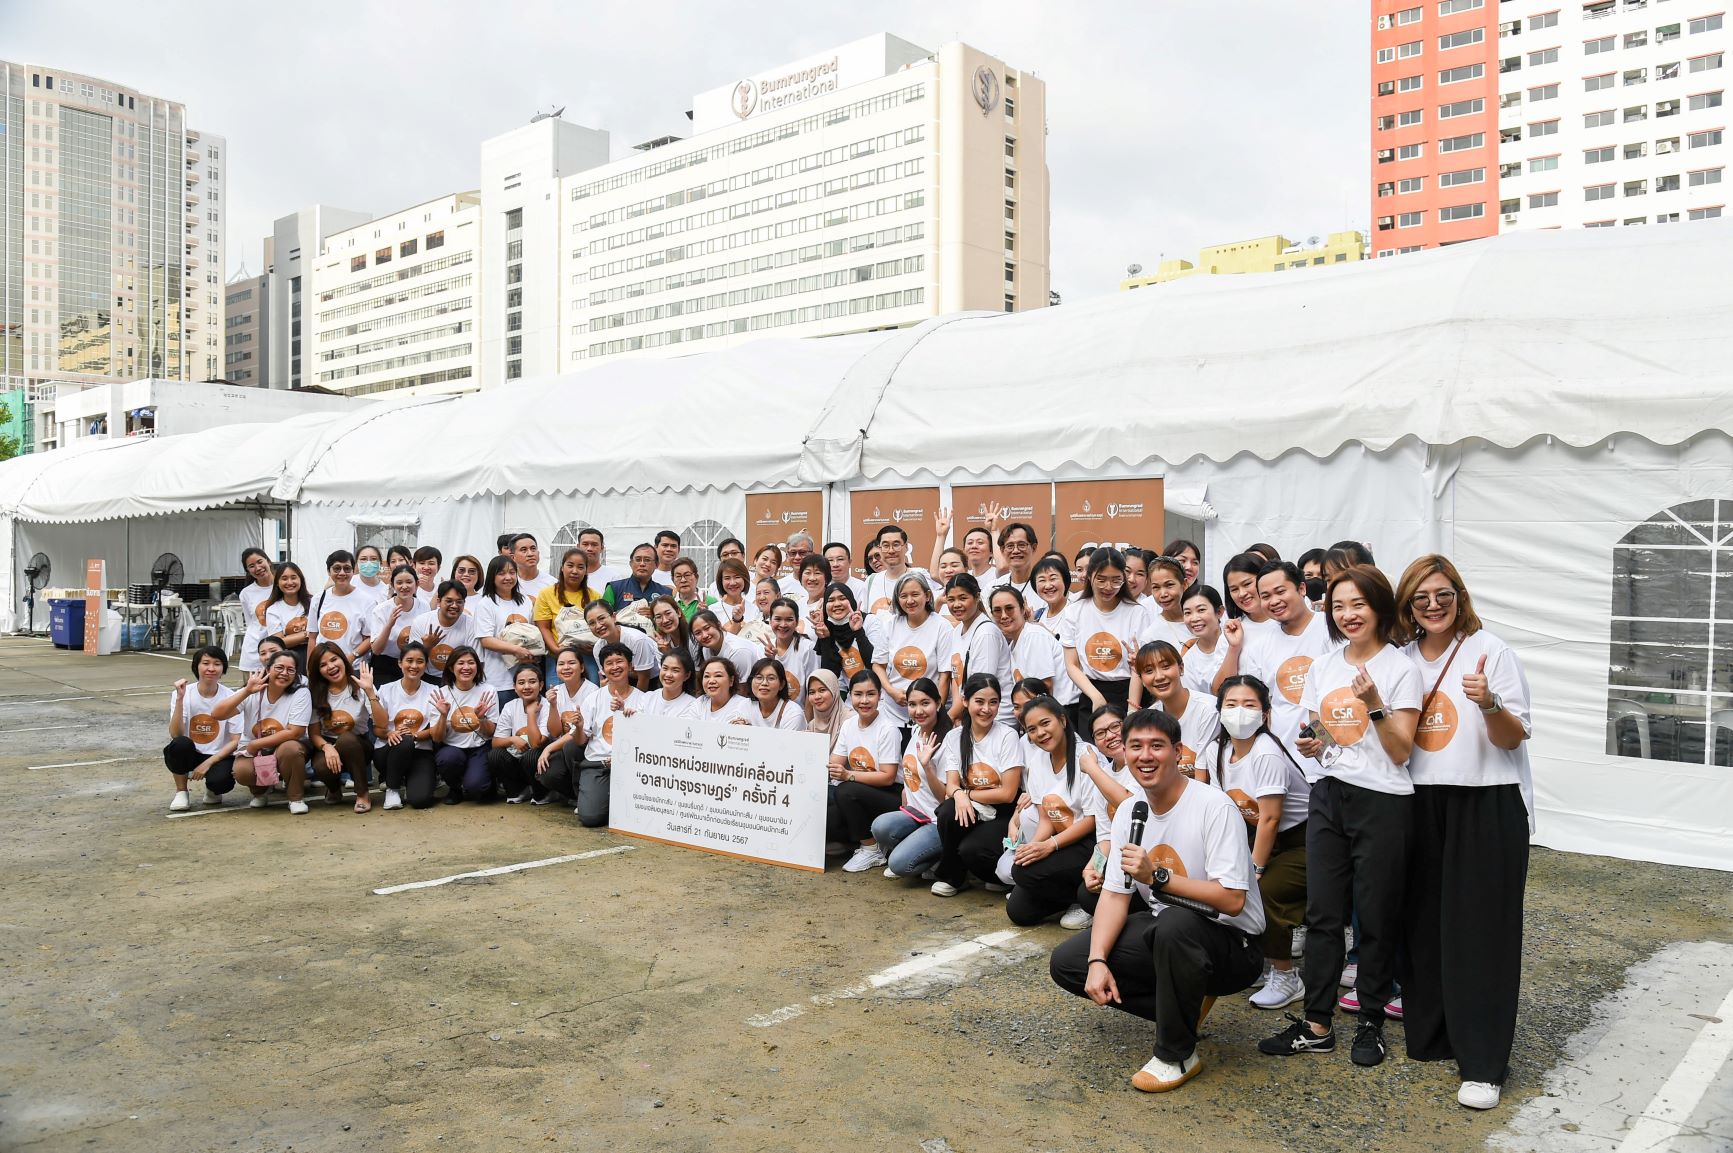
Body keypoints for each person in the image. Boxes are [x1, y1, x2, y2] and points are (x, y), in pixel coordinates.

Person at [1049, 708, 1265, 1093]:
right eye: (1135, 746)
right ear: (1125, 753)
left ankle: (1177, 1054)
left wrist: (1158, 877)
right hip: (1171, 934)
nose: (1145, 756)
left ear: (1178, 752)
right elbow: (1115, 895)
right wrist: (1097, 961)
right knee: (1069, 963)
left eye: (1156, 746)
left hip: (1233, 944)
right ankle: (1182, 1008)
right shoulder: (1130, 810)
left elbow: (1232, 900)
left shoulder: (1214, 806)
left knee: (1174, 921)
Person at [1260, 565, 1421, 1069]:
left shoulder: (1401, 668)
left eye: (1359, 604)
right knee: (1324, 914)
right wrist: (1315, 743)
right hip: (1328, 794)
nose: (1348, 614)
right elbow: (1322, 738)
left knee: (1374, 914)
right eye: (1338, 605)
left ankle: (1371, 1019)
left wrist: (1374, 704)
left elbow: (1400, 751)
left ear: (1380, 607)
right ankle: (1317, 1024)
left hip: (1384, 801)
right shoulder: (1324, 666)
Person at [1396, 555, 1535, 1110]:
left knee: (1481, 932)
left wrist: (1489, 702)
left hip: (1485, 799)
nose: (1433, 605)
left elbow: (1512, 737)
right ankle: (1434, 1035)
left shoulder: (1490, 650)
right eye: (1420, 598)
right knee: (1423, 925)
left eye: (1443, 594)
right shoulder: (1401, 657)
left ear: (1460, 596)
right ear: (1407, 605)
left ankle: (1483, 1063)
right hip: (1418, 800)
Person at [1209, 675, 1312, 1012]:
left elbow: (1270, 819)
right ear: (1220, 710)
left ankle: (1286, 975)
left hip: (1302, 840)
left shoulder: (1266, 753)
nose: (1240, 712)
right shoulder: (1218, 751)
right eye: (1231, 704)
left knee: (1263, 892)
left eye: (1249, 704)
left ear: (1265, 713)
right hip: (1260, 837)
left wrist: (1254, 869)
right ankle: (1256, 961)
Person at [1005, 695, 1103, 928]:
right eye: (1032, 729)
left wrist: (1049, 846)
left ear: (1063, 720)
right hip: (1062, 840)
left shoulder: (1086, 756)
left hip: (1092, 842)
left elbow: (1093, 820)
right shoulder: (1038, 761)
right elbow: (1046, 819)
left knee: (1023, 874)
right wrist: (1032, 847)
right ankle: (1071, 897)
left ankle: (1085, 901)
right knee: (1019, 911)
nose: (1040, 733)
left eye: (1045, 723)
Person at [1214, 561, 1333, 751]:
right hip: (1283, 754)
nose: (1274, 601)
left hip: (1332, 754)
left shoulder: (1331, 628)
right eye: (1266, 596)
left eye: (1280, 591)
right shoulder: (1260, 646)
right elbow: (1254, 701)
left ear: (1302, 588)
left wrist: (1324, 745)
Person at [929, 673, 1024, 896]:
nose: (986, 709)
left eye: (993, 702)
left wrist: (966, 794)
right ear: (965, 701)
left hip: (1003, 812)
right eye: (979, 701)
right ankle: (954, 877)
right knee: (947, 812)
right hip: (974, 807)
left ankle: (999, 876)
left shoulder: (1007, 735)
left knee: (971, 850)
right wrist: (959, 795)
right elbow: (951, 785)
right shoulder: (955, 737)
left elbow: (1008, 793)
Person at [870, 677, 953, 879]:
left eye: (925, 703)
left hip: (936, 821)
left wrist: (928, 766)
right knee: (879, 826)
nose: (918, 711)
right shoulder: (916, 730)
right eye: (912, 704)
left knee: (898, 864)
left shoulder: (948, 740)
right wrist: (906, 793)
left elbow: (944, 798)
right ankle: (921, 853)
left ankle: (940, 860)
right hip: (916, 814)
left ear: (938, 703)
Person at [211, 650, 312, 814]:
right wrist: (246, 691)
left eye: (290, 670)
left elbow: (295, 732)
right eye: (279, 668)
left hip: (285, 746)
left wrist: (256, 744)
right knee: (242, 770)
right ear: (268, 669)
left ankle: (295, 797)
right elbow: (217, 714)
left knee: (291, 749)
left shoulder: (301, 693)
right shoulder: (253, 690)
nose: (284, 673)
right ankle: (260, 791)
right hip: (256, 750)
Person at [1061, 546, 1146, 728]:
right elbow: (1071, 664)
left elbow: (1137, 667)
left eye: (1116, 580)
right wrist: (1095, 697)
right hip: (1090, 692)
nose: (1108, 587)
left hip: (1129, 693)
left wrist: (1132, 710)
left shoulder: (1137, 613)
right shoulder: (1074, 611)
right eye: (1101, 580)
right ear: (1089, 576)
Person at [828, 670, 904, 872]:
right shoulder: (849, 725)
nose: (864, 700)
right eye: (858, 694)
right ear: (850, 695)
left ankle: (871, 849)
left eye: (870, 694)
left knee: (845, 790)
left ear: (880, 695)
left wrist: (848, 775)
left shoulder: (888, 729)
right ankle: (861, 840)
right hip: (861, 791)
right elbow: (834, 763)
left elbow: (888, 777)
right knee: (826, 817)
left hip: (890, 794)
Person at [562, 640, 643, 824]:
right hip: (598, 764)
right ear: (603, 669)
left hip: (631, 766)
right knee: (590, 817)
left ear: (630, 665)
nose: (615, 667)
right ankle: (597, 796)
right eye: (609, 663)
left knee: (635, 817)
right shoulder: (594, 699)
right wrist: (579, 727)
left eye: (619, 661)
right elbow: (581, 741)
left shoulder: (644, 699)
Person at [871, 573, 956, 737]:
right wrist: (891, 691)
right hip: (892, 715)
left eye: (915, 594)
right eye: (903, 596)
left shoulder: (942, 627)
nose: (909, 601)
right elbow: (878, 665)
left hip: (927, 717)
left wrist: (936, 712)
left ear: (927, 595)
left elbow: (945, 676)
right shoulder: (890, 624)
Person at [164, 645, 241, 810]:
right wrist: (179, 700)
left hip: (218, 755)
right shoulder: (183, 693)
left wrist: (208, 764)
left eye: (217, 664)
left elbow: (235, 741)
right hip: (192, 752)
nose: (211, 668)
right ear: (196, 666)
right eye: (206, 663)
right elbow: (176, 734)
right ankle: (181, 791)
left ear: (223, 668)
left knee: (221, 782)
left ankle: (213, 790)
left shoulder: (231, 697)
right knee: (179, 745)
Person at [1134, 641, 1221, 780]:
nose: (1159, 676)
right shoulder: (1149, 719)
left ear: (1181, 668)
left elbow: (1202, 777)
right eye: (1149, 671)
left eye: (1165, 666)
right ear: (1142, 680)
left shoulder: (1208, 709)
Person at [369, 642, 439, 810]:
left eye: (420, 661)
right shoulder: (385, 690)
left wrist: (415, 735)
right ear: (400, 663)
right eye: (409, 660)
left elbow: (435, 731)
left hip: (420, 752)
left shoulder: (434, 690)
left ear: (426, 665)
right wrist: (390, 734)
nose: (414, 666)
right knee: (404, 741)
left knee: (420, 800)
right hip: (388, 751)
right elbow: (377, 729)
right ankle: (392, 789)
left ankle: (411, 781)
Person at [307, 640, 374, 811]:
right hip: (327, 742)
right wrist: (327, 747)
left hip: (358, 744)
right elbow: (314, 734)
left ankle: (362, 794)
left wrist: (370, 692)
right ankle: (334, 789)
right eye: (323, 665)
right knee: (321, 766)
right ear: (318, 671)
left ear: (343, 660)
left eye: (334, 659)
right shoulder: (315, 693)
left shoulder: (360, 685)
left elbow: (381, 723)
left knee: (347, 740)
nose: (330, 666)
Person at [430, 646, 497, 805]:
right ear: (451, 667)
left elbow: (490, 732)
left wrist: (481, 718)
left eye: (471, 663)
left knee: (476, 787)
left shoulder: (488, 691)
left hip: (479, 747)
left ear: (477, 667)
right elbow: (437, 738)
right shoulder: (441, 694)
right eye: (461, 663)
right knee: (447, 759)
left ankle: (486, 782)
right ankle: (455, 788)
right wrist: (443, 716)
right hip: (452, 748)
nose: (466, 667)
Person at [945, 574, 1014, 724]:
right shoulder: (957, 631)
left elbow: (982, 687)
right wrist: (955, 715)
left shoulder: (986, 633)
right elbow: (957, 678)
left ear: (977, 597)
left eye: (963, 598)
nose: (956, 604)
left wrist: (948, 718)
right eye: (951, 599)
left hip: (995, 717)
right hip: (969, 713)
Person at [991, 584, 1070, 711]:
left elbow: (1044, 687)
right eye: (997, 610)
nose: (1004, 615)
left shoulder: (1033, 636)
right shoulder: (1013, 644)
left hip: (1059, 711)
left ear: (1023, 609)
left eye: (1009, 608)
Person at [473, 556, 539, 691]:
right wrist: (516, 650)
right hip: (499, 680)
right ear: (492, 576)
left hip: (526, 678)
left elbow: (534, 634)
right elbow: (486, 640)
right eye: (501, 573)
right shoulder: (485, 604)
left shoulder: (526, 601)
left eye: (512, 572)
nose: (508, 577)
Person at [491, 662, 548, 804]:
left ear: (541, 685)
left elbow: (537, 744)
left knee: (531, 756)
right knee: (495, 755)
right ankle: (519, 790)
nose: (527, 687)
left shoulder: (548, 706)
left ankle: (543, 793)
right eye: (521, 683)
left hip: (542, 761)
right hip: (518, 760)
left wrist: (531, 713)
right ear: (515, 688)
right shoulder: (510, 706)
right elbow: (495, 742)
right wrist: (512, 739)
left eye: (532, 682)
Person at [408, 581, 480, 686]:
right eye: (449, 601)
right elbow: (411, 661)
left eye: (459, 602)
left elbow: (474, 661)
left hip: (457, 679)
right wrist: (427, 647)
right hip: (425, 677)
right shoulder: (421, 621)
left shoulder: (471, 624)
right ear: (438, 601)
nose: (454, 606)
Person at [360, 565, 419, 686]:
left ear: (417, 584)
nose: (404, 586)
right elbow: (376, 650)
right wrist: (389, 625)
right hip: (385, 665)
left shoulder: (424, 606)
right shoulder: (381, 610)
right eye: (399, 583)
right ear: (392, 585)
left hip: (414, 663)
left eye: (409, 582)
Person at [307, 550, 372, 659]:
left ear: (354, 570)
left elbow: (369, 638)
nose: (342, 573)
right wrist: (310, 665)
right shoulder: (318, 599)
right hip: (323, 664)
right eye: (337, 568)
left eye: (347, 568)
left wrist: (352, 657)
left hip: (353, 665)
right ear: (328, 571)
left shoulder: (366, 601)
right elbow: (312, 637)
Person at [534, 548, 598, 657]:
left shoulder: (595, 596)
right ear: (562, 568)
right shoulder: (546, 594)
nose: (575, 571)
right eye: (570, 565)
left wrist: (593, 649)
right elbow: (544, 627)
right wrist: (556, 650)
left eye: (580, 567)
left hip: (588, 655)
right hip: (557, 656)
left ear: (586, 571)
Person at [584, 600, 660, 689]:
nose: (598, 626)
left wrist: (633, 699)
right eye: (592, 623)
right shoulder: (598, 648)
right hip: (626, 680)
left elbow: (644, 678)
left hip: (654, 681)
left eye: (601, 618)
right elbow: (609, 678)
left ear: (614, 617)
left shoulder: (637, 639)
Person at [860, 525, 935, 616]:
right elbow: (865, 616)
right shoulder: (871, 581)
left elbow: (932, 612)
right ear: (880, 548)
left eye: (896, 545)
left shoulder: (921, 576)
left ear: (906, 547)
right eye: (886, 546)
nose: (891, 551)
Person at [812, 582, 874, 682]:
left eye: (842, 598)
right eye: (831, 600)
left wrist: (859, 631)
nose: (837, 604)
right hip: (851, 691)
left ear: (851, 600)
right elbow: (831, 676)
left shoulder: (869, 621)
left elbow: (875, 664)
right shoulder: (827, 629)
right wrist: (825, 639)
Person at [766, 597, 818, 706]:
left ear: (797, 622)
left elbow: (813, 689)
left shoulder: (808, 648)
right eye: (778, 619)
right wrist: (770, 661)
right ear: (770, 621)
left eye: (789, 619)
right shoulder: (763, 648)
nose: (783, 625)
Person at [1178, 585, 1229, 697]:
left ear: (1219, 612)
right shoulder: (1188, 660)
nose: (1194, 618)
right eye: (1188, 613)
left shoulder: (1236, 639)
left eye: (1201, 610)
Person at [691, 609, 759, 690]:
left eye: (707, 628)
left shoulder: (737, 651)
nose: (704, 635)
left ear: (719, 625)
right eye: (698, 633)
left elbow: (743, 689)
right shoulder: (706, 649)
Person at [237, 547, 277, 673]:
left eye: (260, 562)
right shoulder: (246, 593)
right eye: (251, 566)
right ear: (248, 571)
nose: (258, 568)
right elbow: (251, 623)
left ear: (268, 561)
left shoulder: (284, 585)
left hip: (280, 650)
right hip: (254, 651)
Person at [262, 561, 314, 656]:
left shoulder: (314, 602)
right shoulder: (273, 610)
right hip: (288, 657)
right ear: (277, 583)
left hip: (314, 653)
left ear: (301, 580)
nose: (289, 582)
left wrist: (291, 638)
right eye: (284, 578)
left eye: (293, 577)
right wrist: (308, 634)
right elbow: (278, 642)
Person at [1142, 555, 1193, 650]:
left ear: (1184, 584)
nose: (1163, 594)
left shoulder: (1202, 620)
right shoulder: (1151, 637)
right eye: (1156, 587)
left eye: (1169, 585)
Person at [1221, 553, 1276, 634]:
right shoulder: (1231, 632)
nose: (1241, 594)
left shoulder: (1288, 620)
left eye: (1247, 584)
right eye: (1234, 589)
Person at [747, 657, 806, 731]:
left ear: (781, 684)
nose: (764, 683)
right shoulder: (744, 706)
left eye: (771, 678)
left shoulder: (793, 713)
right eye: (759, 677)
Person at [604, 543, 671, 608]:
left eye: (647, 560)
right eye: (638, 560)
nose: (642, 564)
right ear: (631, 563)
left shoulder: (665, 593)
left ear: (656, 564)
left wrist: (653, 613)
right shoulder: (614, 588)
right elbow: (602, 613)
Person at [995, 521, 1043, 610]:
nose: (1016, 551)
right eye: (1010, 546)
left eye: (1021, 545)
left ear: (1034, 548)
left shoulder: (1045, 588)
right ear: (1002, 550)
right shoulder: (992, 588)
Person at [640, 648, 701, 719]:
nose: (668, 674)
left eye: (675, 670)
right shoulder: (647, 697)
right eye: (665, 668)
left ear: (687, 675)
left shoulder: (692, 706)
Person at [697, 656, 755, 724]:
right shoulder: (700, 702)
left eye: (718, 675)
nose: (711, 681)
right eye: (707, 676)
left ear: (731, 680)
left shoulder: (744, 706)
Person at [1029, 555, 1074, 641]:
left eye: (1053, 579)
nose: (1048, 586)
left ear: (1065, 581)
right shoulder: (1037, 615)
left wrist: (1045, 632)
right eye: (1042, 580)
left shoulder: (1076, 612)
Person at [803, 669, 846, 755]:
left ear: (834, 690)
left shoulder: (850, 720)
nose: (817, 697)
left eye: (822, 690)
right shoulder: (812, 725)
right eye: (812, 692)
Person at [712, 557, 756, 632]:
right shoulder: (713, 610)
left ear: (745, 579)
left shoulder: (754, 610)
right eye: (727, 578)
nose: (732, 583)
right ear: (721, 582)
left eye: (737, 577)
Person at [648, 595, 696, 663]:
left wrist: (669, 653)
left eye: (668, 613)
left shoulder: (693, 637)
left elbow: (697, 669)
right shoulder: (660, 642)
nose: (665, 620)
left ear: (678, 612)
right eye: (658, 617)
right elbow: (664, 669)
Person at [822, 540, 869, 605]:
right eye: (830, 560)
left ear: (850, 562)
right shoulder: (821, 589)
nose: (835, 564)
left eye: (840, 559)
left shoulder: (862, 588)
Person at [510, 534, 554, 599]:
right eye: (524, 550)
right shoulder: (507, 582)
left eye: (533, 549)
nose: (530, 554)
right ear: (513, 557)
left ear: (538, 553)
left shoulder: (552, 584)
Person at [794, 554, 830, 626]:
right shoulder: (798, 604)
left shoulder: (830, 604)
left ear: (826, 578)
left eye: (817, 573)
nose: (812, 578)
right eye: (807, 573)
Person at [780, 531, 817, 598]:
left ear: (812, 555)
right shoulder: (780, 586)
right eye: (793, 553)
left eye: (802, 552)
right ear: (787, 556)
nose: (797, 557)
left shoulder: (821, 584)